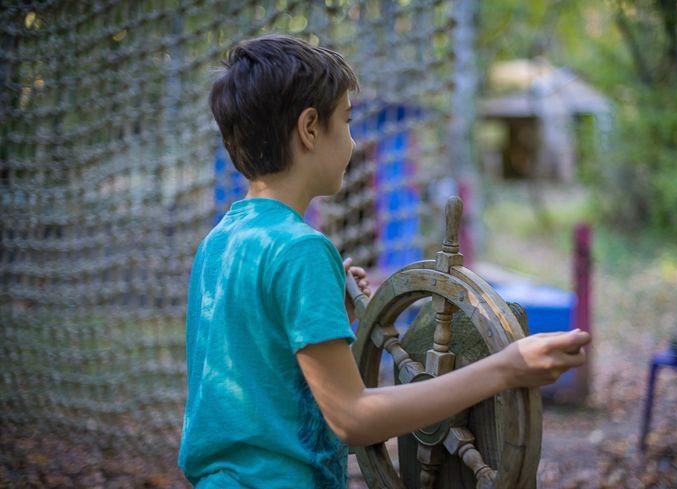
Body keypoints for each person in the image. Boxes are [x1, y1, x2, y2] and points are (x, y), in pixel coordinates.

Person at [178, 34, 591, 489]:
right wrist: (505, 368)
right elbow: (353, 417)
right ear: (310, 128)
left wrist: (332, 313)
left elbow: (257, 362)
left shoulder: (219, 242)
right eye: (347, 122)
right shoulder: (302, 250)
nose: (353, 143)